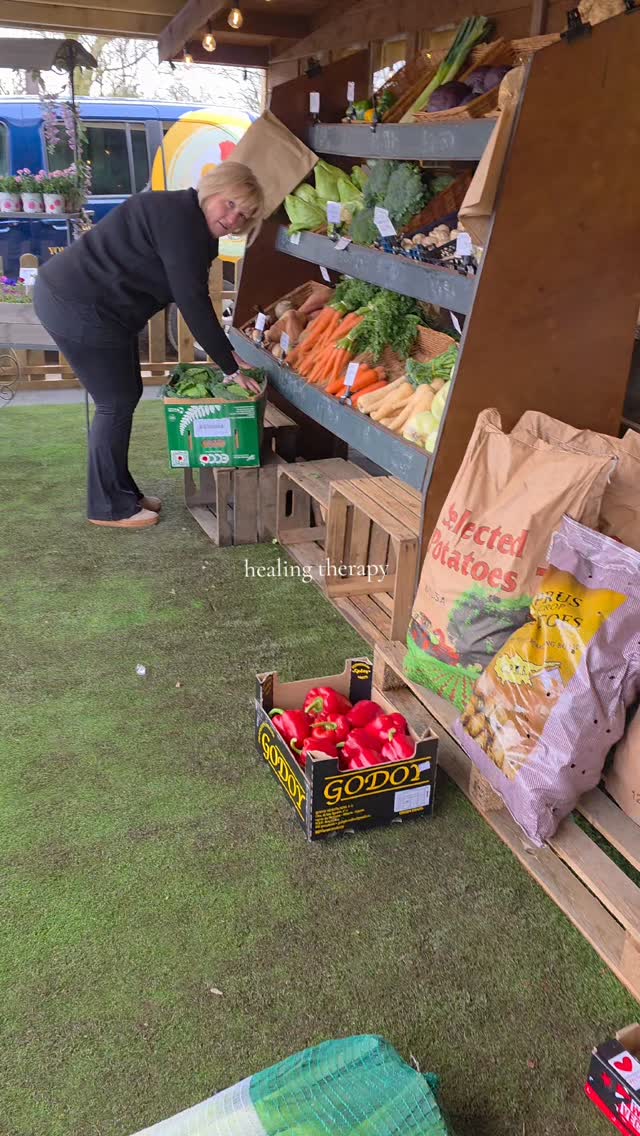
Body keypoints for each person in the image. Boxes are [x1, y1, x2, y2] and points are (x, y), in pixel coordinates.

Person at [33, 162, 264, 530]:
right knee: (116, 401)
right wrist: (229, 365)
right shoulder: (180, 219)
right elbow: (191, 298)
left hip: (97, 308)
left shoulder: (189, 221)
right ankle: (108, 507)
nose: (235, 218)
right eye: (231, 204)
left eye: (245, 215)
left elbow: (187, 291)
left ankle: (121, 492)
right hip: (77, 304)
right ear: (212, 190)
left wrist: (229, 357)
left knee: (125, 394)